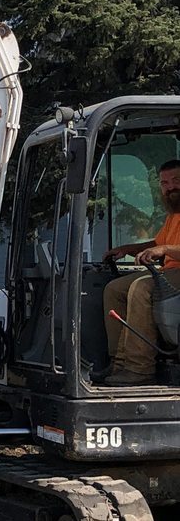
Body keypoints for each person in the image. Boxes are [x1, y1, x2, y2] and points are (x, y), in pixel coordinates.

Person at [102, 159, 180, 385]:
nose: (170, 187)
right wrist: (128, 249)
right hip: (171, 272)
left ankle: (139, 369)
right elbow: (159, 242)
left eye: (176, 180)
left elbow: (163, 247)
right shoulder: (173, 214)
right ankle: (119, 364)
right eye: (164, 183)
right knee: (114, 289)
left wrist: (164, 249)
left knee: (142, 287)